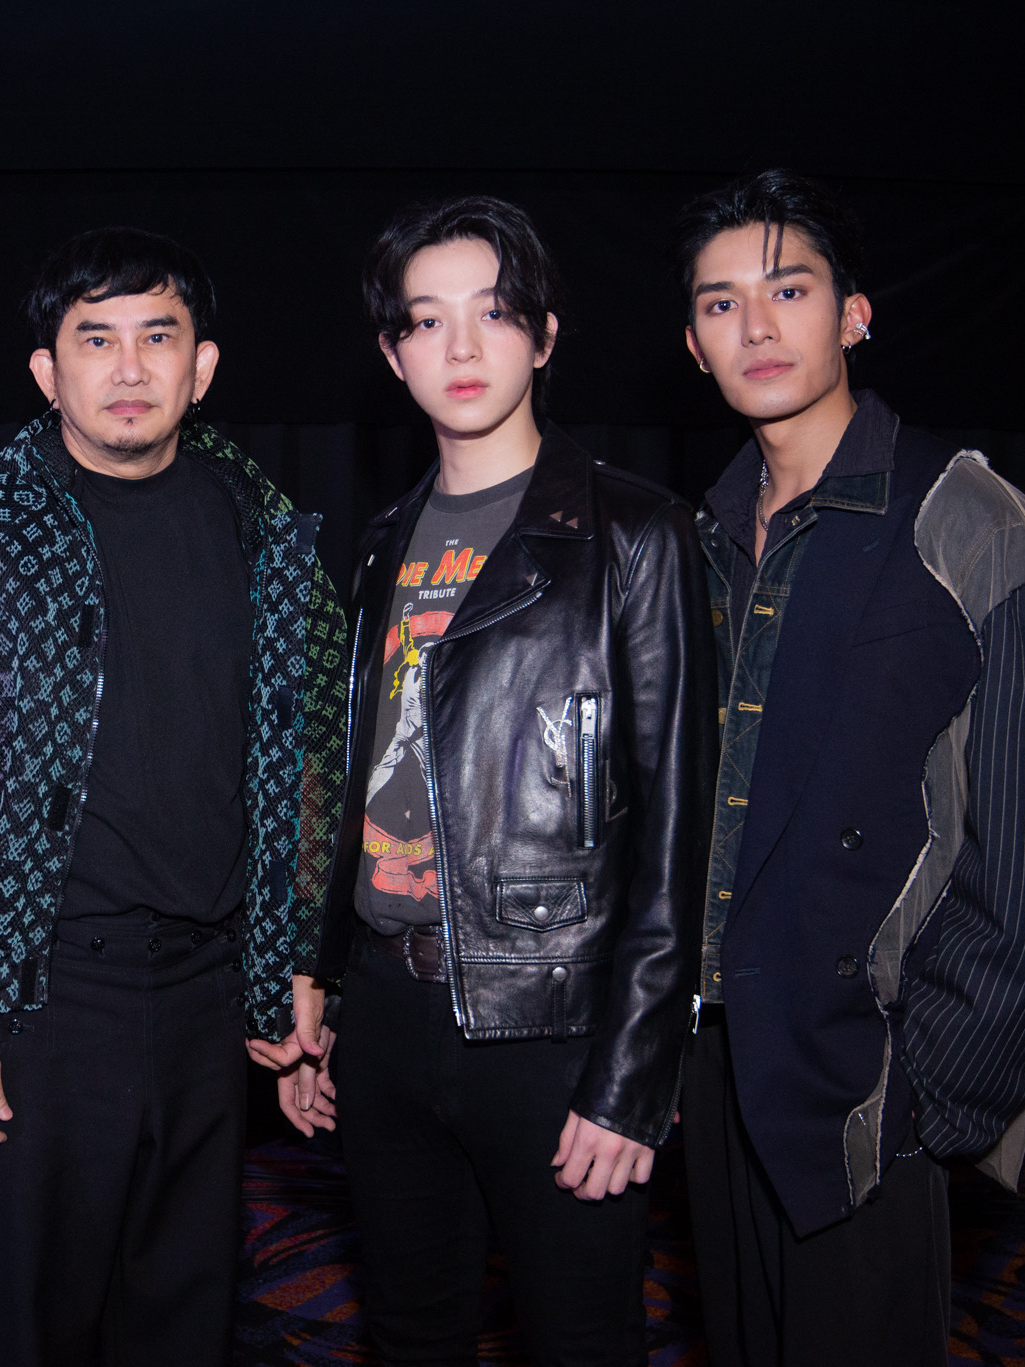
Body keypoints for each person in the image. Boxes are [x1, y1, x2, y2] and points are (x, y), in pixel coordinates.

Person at [0, 226, 350, 1366]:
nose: (129, 367)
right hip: (33, 1008)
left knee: (184, 1328)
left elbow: (307, 759)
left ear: (202, 367)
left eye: (158, 337)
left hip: (210, 1004)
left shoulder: (268, 534)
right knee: (16, 1333)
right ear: (47, 371)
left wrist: (294, 956)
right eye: (95, 340)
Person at [674, 169, 1025, 1367]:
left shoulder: (966, 516)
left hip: (869, 1084)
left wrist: (935, 1086)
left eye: (788, 289)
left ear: (852, 315)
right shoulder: (702, 537)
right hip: (720, 1061)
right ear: (692, 344)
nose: (755, 326)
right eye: (719, 303)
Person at [290, 196, 712, 1366]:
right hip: (387, 1012)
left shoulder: (635, 534)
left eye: (492, 313)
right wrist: (328, 987)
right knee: (409, 1331)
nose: (461, 347)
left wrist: (632, 1073)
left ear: (544, 333)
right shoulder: (379, 539)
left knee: (579, 1339)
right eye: (426, 321)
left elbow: (675, 830)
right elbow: (358, 773)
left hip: (552, 1022)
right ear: (392, 354)